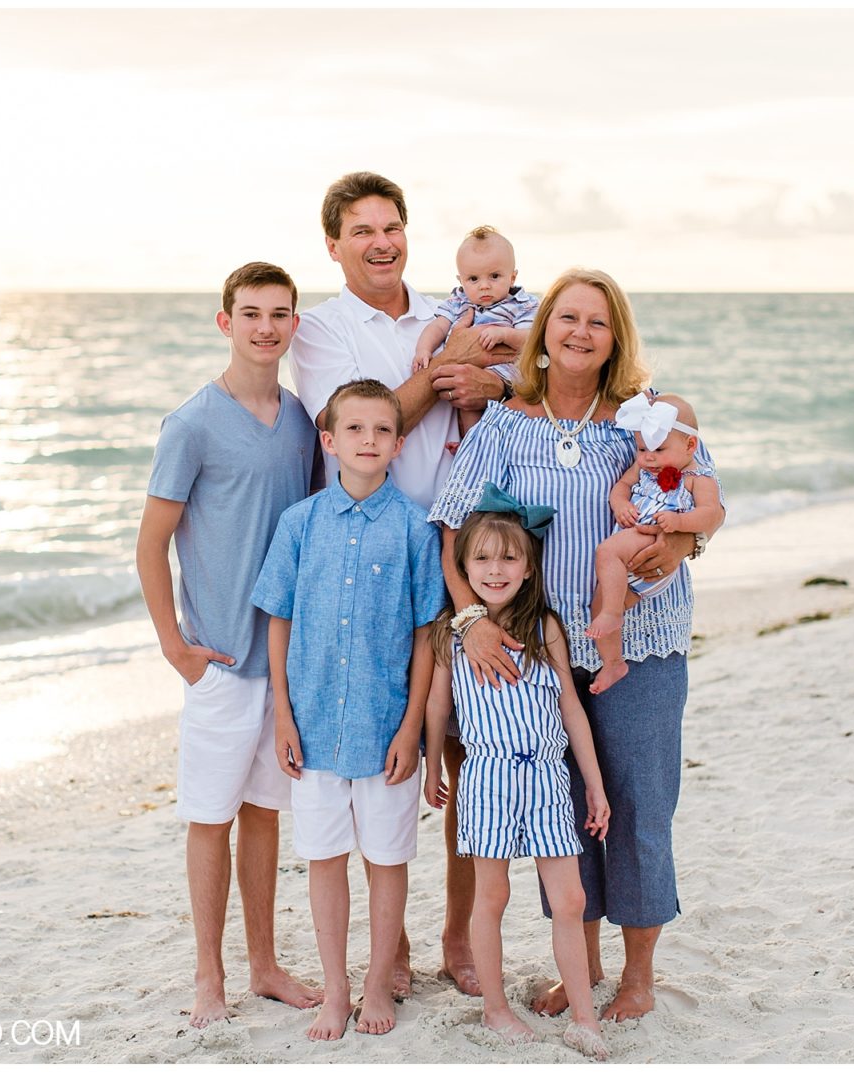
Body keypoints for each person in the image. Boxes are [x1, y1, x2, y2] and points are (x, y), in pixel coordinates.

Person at [428, 268, 724, 1024]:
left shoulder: (646, 420)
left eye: (597, 321)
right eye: (567, 318)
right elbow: (452, 530)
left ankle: (638, 976)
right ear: (544, 330)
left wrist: (681, 545)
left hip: (644, 643)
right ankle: (582, 967)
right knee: (564, 817)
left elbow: (706, 507)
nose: (579, 333)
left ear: (615, 337)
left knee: (638, 806)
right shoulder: (506, 423)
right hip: (537, 655)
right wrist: (473, 621)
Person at [289, 171, 512, 998]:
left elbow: (521, 371)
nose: (383, 242)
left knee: (460, 752)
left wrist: (492, 378)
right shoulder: (319, 332)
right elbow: (369, 421)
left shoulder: (449, 312)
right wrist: (450, 366)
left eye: (394, 226)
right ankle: (394, 946)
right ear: (334, 244)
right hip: (371, 561)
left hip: (459, 548)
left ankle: (458, 934)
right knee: (385, 754)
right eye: (363, 231)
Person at [135, 262, 324, 1028]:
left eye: (280, 313)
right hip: (217, 660)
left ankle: (265, 964)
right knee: (210, 817)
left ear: (293, 325)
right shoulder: (191, 424)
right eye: (251, 313)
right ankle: (208, 976)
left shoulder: (304, 421)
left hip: (283, 664)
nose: (266, 327)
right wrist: (176, 649)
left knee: (264, 817)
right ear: (225, 322)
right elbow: (151, 546)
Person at [250, 378, 445, 1040]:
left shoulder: (415, 528)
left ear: (398, 441)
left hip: (386, 726)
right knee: (325, 856)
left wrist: (413, 724)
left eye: (381, 430)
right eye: (354, 429)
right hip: (312, 728)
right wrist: (282, 713)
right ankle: (336, 989)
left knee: (387, 859)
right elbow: (278, 619)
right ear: (329, 441)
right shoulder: (298, 524)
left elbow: (425, 634)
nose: (368, 441)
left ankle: (375, 982)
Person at [422, 497, 612, 1059]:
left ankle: (584, 1017)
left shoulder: (544, 626)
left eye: (508, 559)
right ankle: (496, 1009)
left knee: (571, 897)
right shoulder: (450, 636)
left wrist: (595, 784)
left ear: (529, 567)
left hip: (549, 778)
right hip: (486, 779)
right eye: (481, 559)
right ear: (463, 567)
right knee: (493, 896)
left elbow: (571, 710)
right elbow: (437, 708)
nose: (495, 570)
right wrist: (433, 763)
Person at [585, 390, 720, 694]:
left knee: (607, 552)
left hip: (655, 547)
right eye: (642, 449)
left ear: (690, 445)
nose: (648, 457)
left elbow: (711, 515)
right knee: (601, 598)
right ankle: (613, 662)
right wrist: (620, 504)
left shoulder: (699, 478)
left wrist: (681, 523)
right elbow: (622, 485)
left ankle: (613, 614)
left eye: (658, 449)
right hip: (637, 564)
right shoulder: (645, 469)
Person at [410, 225, 539, 447]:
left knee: (511, 415)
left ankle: (489, 447)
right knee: (466, 405)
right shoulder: (459, 302)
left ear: (512, 277)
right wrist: (423, 349)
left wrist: (505, 334)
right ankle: (472, 446)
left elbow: (531, 340)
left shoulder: (521, 305)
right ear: (461, 281)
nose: (484, 286)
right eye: (473, 279)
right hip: (467, 375)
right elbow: (438, 327)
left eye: (495, 276)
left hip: (508, 375)